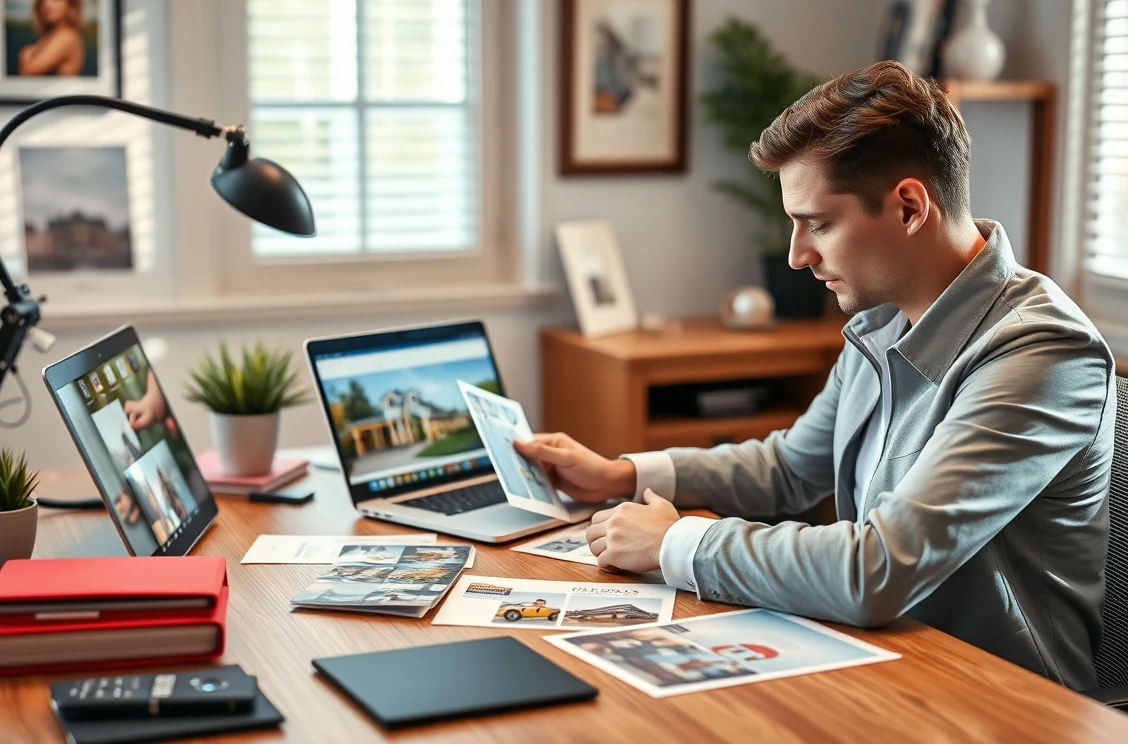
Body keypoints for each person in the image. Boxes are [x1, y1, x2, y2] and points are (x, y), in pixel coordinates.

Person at [515, 60, 1117, 691]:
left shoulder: (1042, 353)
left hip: (996, 698)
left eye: (819, 224)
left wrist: (675, 543)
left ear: (910, 207)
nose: (798, 255)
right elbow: (789, 467)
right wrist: (622, 475)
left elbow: (879, 569)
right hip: (883, 664)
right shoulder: (886, 317)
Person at [17, 0, 86, 77]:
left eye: (56, 1)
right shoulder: (50, 36)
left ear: (71, 5)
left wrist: (26, 54)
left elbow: (29, 71)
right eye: (43, 1)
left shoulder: (67, 37)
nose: (47, 5)